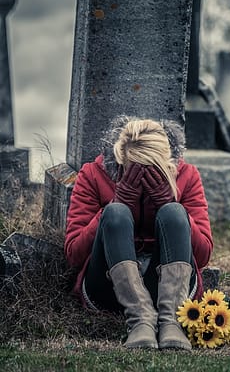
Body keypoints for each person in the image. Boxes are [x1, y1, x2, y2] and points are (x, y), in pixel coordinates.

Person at [64, 116, 213, 350]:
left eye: (153, 169)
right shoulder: (93, 174)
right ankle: (140, 320)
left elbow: (203, 256)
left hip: (171, 289)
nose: (143, 177)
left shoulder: (188, 175)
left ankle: (171, 322)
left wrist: (168, 203)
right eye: (134, 167)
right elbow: (74, 254)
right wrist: (116, 205)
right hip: (108, 288)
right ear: (120, 158)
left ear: (168, 162)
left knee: (174, 212)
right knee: (115, 212)